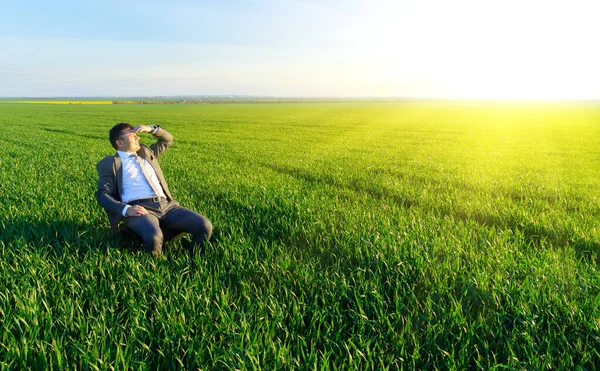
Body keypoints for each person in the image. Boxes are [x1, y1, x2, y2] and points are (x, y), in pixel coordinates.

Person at [96, 123, 212, 257]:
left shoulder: (147, 153)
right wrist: (127, 209)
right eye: (133, 136)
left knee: (204, 225)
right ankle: (152, 269)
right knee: (154, 237)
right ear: (119, 143)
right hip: (140, 209)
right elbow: (102, 194)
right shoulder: (110, 163)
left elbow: (167, 139)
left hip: (167, 206)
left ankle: (195, 260)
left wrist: (151, 129)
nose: (138, 138)